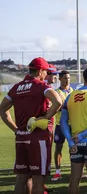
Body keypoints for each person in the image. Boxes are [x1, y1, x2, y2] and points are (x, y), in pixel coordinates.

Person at [0, 57, 62, 194]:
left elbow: (2, 109)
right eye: (45, 71)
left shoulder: (17, 87)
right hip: (38, 137)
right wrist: (45, 117)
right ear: (40, 71)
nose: (46, 74)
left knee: (21, 178)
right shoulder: (41, 86)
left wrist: (15, 129)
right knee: (38, 179)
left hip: (21, 137)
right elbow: (58, 101)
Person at [51, 70, 74, 181]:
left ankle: (76, 170)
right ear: (60, 79)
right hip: (60, 124)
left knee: (74, 147)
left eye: (68, 78)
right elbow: (54, 107)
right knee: (58, 147)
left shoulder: (73, 92)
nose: (67, 80)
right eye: (65, 78)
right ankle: (58, 172)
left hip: (73, 124)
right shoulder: (56, 92)